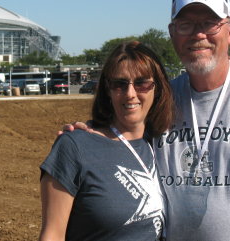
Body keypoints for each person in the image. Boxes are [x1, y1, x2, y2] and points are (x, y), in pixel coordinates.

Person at [66, 0, 230, 240]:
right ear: (173, 34)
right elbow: (123, 128)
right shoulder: (161, 99)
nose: (198, 34)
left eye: (210, 23)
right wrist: (87, 133)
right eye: (186, 25)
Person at [39, 41, 175, 241]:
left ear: (158, 88)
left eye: (142, 83)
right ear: (108, 89)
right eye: (119, 84)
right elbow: (52, 235)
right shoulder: (75, 147)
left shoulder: (163, 145)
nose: (130, 93)